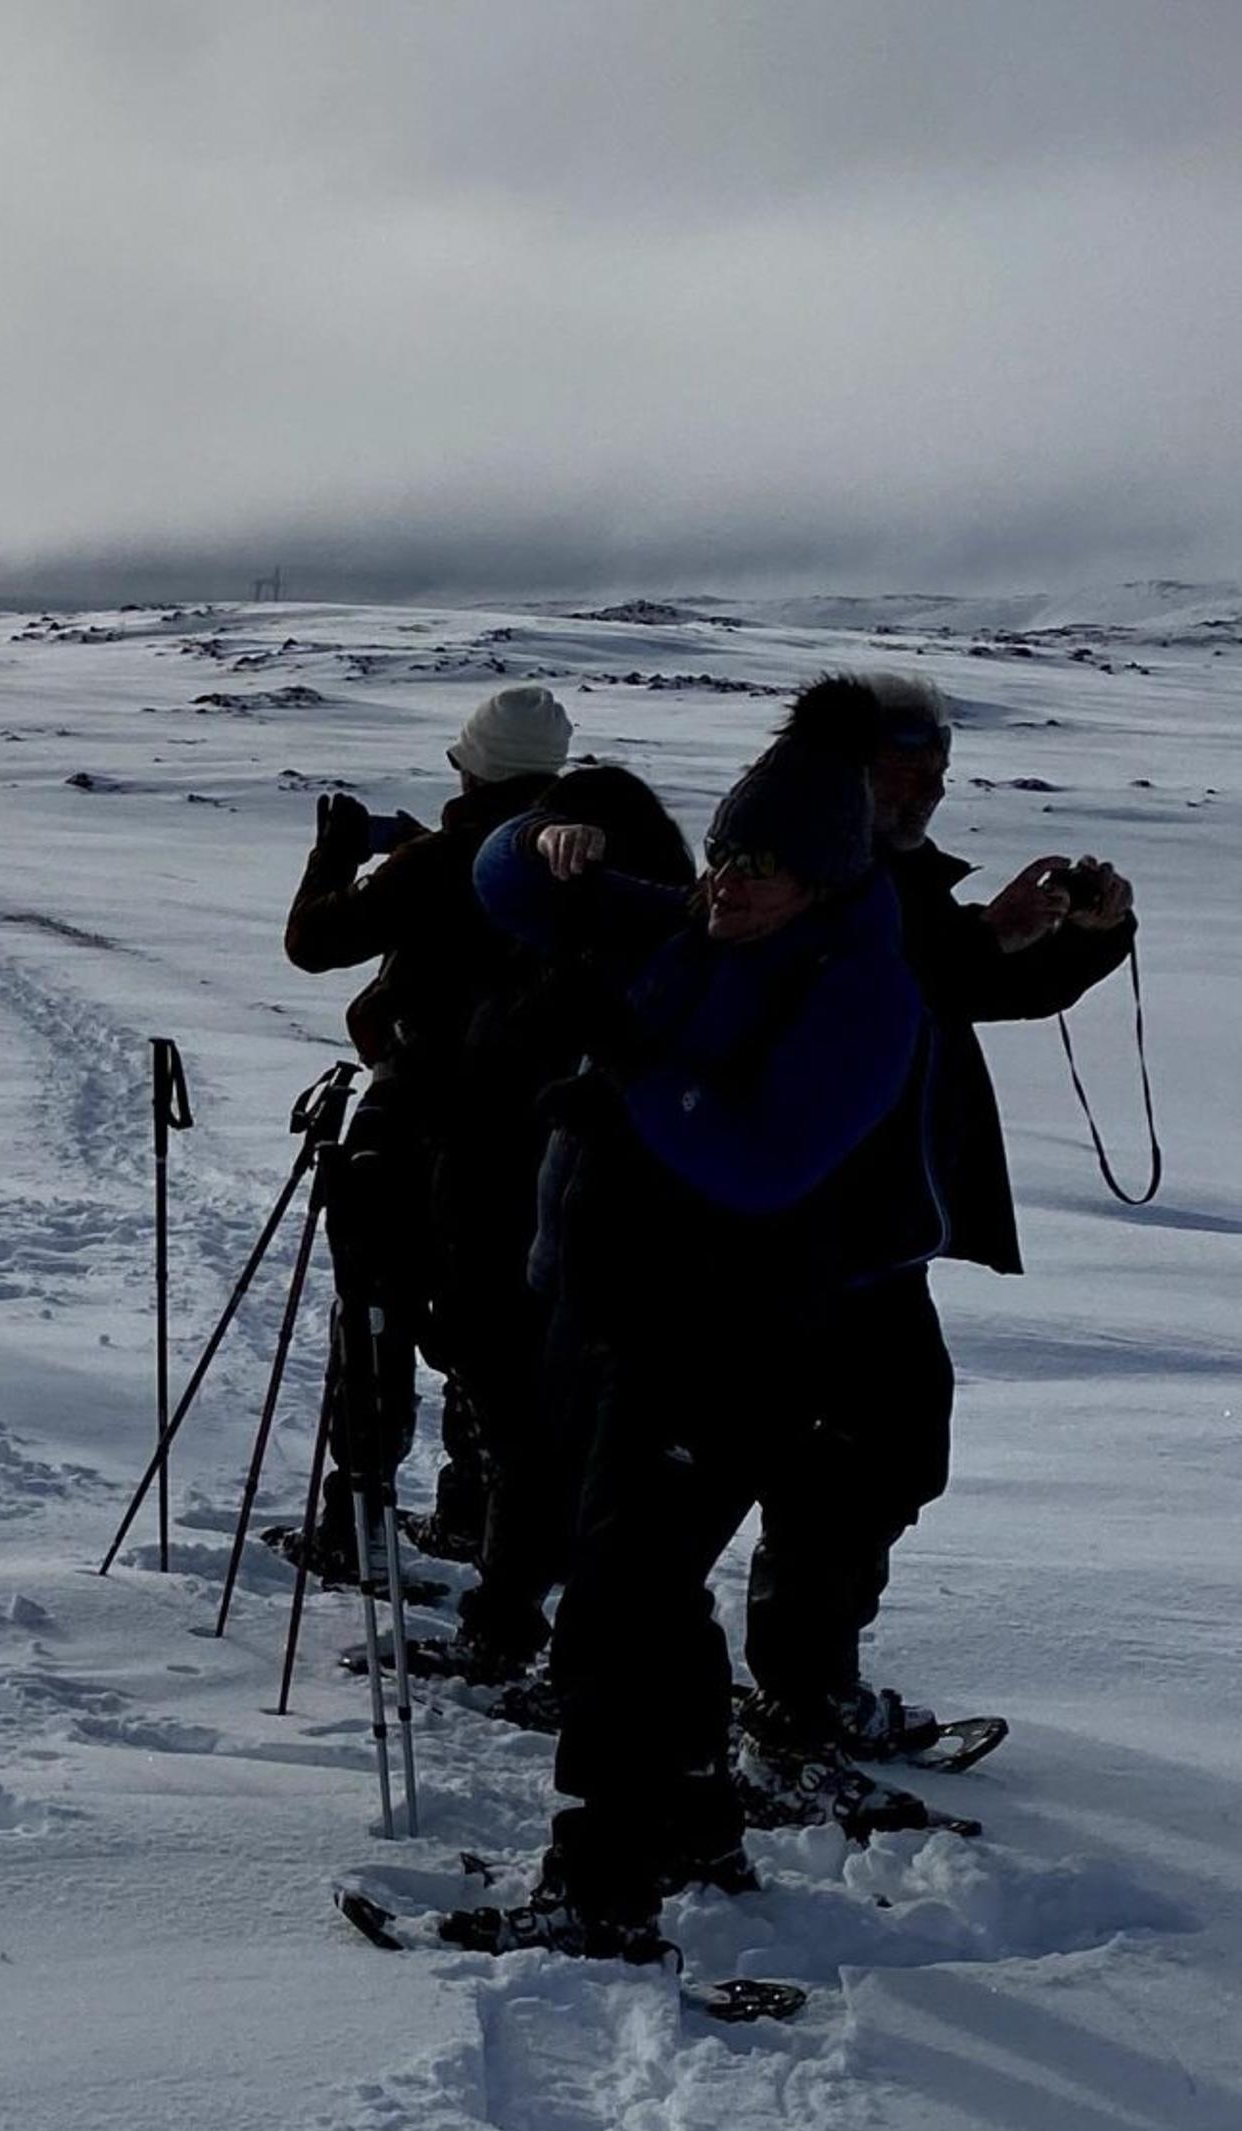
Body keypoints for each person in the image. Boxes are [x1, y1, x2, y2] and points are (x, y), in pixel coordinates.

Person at [475, 678, 933, 1948]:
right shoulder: (699, 921)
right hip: (619, 1310)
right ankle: (685, 1815)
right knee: (648, 1588)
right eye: (726, 856)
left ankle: (605, 1884)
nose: (730, 886)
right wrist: (548, 836)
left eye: (764, 870)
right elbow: (504, 889)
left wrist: (626, 1062)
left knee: (618, 1610)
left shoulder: (860, 989)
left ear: (830, 878)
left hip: (732, 1335)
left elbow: (764, 1162)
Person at [737, 670, 1139, 1757]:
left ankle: (803, 1681)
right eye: (903, 769)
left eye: (937, 771)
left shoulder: (887, 876)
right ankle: (794, 1691)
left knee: (875, 1454)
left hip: (866, 1233)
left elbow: (973, 985)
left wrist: (1084, 935)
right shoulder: (791, 870)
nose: (926, 790)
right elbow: (865, 984)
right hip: (801, 1233)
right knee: (846, 1454)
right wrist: (991, 937)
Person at [281, 682, 574, 1577]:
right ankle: (477, 1514)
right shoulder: (569, 859)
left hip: (411, 1117)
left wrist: (335, 857)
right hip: (532, 1131)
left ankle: (355, 1519)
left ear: (471, 765)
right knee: (494, 1324)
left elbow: (314, 943)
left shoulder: (441, 861)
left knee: (376, 1309)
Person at [417, 762, 696, 1681]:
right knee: (557, 1446)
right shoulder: (668, 948)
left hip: (542, 1240)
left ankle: (514, 1629)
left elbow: (491, 1093)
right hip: (577, 1240)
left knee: (536, 1444)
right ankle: (535, 1624)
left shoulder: (587, 967)